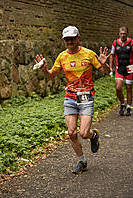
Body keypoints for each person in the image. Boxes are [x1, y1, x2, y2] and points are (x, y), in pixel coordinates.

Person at [35, 26, 111, 174]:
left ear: (78, 38)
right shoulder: (62, 56)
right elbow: (51, 75)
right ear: (63, 40)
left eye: (72, 38)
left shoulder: (89, 54)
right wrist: (44, 69)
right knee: (71, 133)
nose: (70, 41)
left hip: (86, 97)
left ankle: (93, 135)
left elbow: (107, 72)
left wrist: (104, 63)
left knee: (84, 133)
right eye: (67, 39)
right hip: (70, 97)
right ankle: (82, 161)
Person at [109, 26, 133, 116]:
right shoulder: (115, 43)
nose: (123, 35)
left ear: (127, 34)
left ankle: (129, 107)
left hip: (129, 68)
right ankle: (122, 103)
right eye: (121, 34)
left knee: (128, 87)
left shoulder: (132, 42)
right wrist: (111, 67)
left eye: (124, 34)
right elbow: (112, 55)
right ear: (119, 34)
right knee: (118, 87)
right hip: (119, 68)